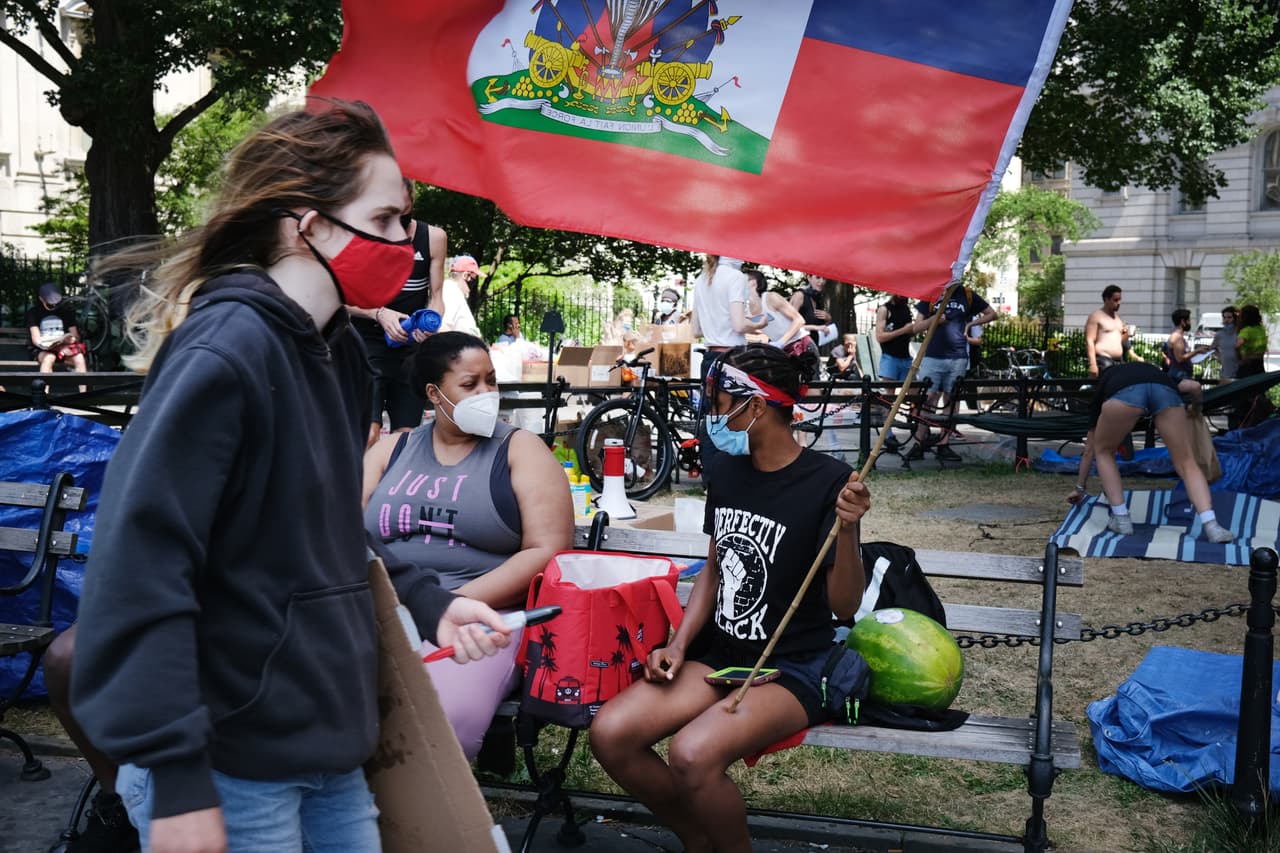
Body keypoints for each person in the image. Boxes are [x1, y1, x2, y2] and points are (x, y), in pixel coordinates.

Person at [69, 100, 515, 853]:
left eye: (408, 221)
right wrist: (178, 776)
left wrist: (429, 600)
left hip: (328, 748)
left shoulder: (338, 351)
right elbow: (141, 565)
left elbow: (327, 526)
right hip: (227, 763)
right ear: (303, 225)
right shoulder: (227, 350)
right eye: (387, 220)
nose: (408, 244)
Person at [589, 343, 872, 853]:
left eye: (719, 403)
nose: (711, 416)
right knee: (611, 734)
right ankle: (699, 840)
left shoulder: (829, 482)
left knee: (692, 754)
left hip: (793, 666)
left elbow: (845, 607)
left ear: (756, 405)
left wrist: (849, 531)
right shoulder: (726, 470)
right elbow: (716, 570)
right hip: (722, 658)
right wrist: (679, 644)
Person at [362, 331, 575, 760]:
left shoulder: (519, 450)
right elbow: (344, 532)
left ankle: (438, 821)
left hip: (483, 619)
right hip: (383, 609)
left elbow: (546, 549)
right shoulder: (390, 451)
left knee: (436, 722)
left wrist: (445, 603)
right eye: (470, 383)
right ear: (433, 394)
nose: (487, 393)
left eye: (491, 381)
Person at [1067, 362, 1233, 543]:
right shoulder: (1156, 373)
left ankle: (1121, 518)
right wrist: (1196, 408)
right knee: (1187, 462)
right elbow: (1194, 386)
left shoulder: (1107, 381)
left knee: (1104, 452)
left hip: (1123, 396)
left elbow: (1089, 449)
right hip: (1165, 394)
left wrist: (1080, 488)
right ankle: (1212, 525)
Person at [347, 179, 447, 445]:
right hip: (367, 345)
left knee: (407, 438)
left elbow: (436, 296)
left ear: (411, 202)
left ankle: (392, 486)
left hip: (410, 348)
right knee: (368, 433)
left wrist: (431, 323)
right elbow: (339, 298)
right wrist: (379, 313)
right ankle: (361, 486)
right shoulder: (360, 237)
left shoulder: (433, 238)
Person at [689, 255, 767, 482]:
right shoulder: (735, 277)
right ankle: (736, 479)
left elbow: (695, 329)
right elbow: (739, 324)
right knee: (740, 420)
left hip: (711, 355)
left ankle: (712, 480)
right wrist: (759, 324)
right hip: (733, 357)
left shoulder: (702, 278)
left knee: (714, 420)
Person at [908, 285, 996, 462]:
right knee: (928, 399)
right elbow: (917, 327)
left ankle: (944, 443)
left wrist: (971, 324)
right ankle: (918, 442)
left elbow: (992, 314)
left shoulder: (967, 294)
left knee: (951, 399)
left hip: (958, 356)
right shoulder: (932, 292)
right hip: (933, 355)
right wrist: (935, 320)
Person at [26, 281, 89, 391]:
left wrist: (69, 341)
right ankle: (43, 396)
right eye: (50, 304)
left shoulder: (66, 311)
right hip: (43, 349)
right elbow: (36, 340)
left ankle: (83, 395)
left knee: (79, 358)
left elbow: (75, 336)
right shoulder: (34, 313)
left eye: (56, 304)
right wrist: (50, 346)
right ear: (41, 299)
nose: (54, 307)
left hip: (64, 348)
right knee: (49, 358)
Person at [1085, 285, 1143, 377]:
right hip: (1104, 360)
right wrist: (1092, 364)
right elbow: (1089, 340)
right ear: (1106, 299)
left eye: (1120, 299)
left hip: (1119, 361)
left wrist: (1128, 334)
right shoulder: (1096, 316)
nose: (1119, 303)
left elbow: (1120, 340)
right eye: (1115, 300)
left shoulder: (1118, 319)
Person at [743, 269, 806, 353]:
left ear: (753, 283)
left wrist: (781, 342)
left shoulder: (771, 297)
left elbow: (799, 320)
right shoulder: (746, 309)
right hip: (781, 350)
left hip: (802, 345)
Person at [791, 274, 839, 349]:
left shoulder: (818, 298)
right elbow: (789, 325)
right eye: (818, 277)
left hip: (813, 346)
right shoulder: (799, 296)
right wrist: (816, 327)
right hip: (798, 348)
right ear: (809, 278)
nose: (822, 281)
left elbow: (820, 326)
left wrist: (828, 318)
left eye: (824, 278)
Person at [441, 255, 483, 338]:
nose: (475, 284)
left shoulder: (455, 292)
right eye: (474, 278)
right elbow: (442, 326)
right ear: (466, 276)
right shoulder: (451, 292)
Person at [1162, 308, 1206, 381]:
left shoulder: (1178, 336)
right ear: (1183, 321)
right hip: (1180, 375)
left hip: (1181, 373)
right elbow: (1180, 358)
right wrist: (1197, 351)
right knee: (1196, 388)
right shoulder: (1178, 337)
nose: (1190, 323)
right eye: (1188, 320)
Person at [1211, 305, 1239, 382]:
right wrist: (1220, 358)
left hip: (1240, 372)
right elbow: (1212, 349)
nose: (1226, 320)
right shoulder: (1220, 334)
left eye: (1229, 317)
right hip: (1225, 372)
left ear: (1235, 318)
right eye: (1224, 317)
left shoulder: (1241, 333)